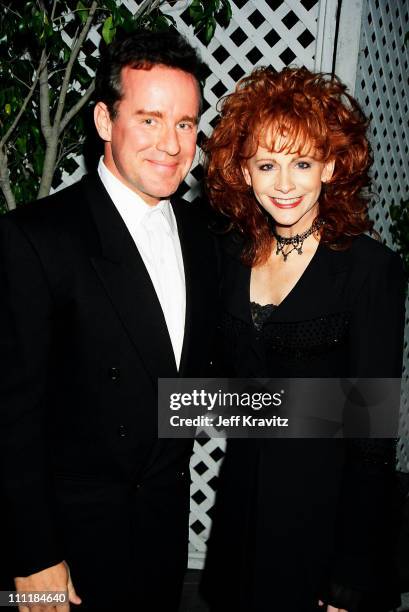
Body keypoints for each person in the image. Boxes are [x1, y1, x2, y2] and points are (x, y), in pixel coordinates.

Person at [0, 29, 219, 612]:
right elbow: (10, 416)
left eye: (185, 123)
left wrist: (348, 410)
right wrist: (32, 556)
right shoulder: (37, 238)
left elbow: (189, 391)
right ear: (103, 120)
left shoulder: (206, 238)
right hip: (71, 551)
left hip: (162, 533)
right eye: (149, 119)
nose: (171, 145)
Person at [200, 67, 405, 612]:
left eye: (303, 163)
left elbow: (371, 433)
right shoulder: (228, 255)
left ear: (331, 167)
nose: (284, 184)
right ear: (244, 172)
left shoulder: (370, 270)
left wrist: (349, 575)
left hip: (322, 516)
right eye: (267, 164)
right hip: (241, 505)